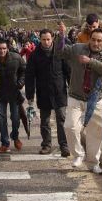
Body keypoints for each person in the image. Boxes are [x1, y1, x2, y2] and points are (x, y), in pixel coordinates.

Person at [57, 22, 102, 173]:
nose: (96, 43)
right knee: (70, 126)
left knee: (95, 131)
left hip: (95, 99)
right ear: (89, 39)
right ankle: (77, 154)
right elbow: (61, 52)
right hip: (76, 95)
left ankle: (93, 163)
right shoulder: (77, 48)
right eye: (93, 39)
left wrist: (91, 62)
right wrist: (62, 35)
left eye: (99, 41)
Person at [25, 28, 71, 157]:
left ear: (52, 39)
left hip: (59, 91)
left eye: (48, 39)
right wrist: (30, 95)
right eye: (43, 39)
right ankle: (46, 144)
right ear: (40, 40)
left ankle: (64, 146)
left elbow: (68, 71)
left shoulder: (60, 52)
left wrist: (71, 87)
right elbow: (30, 76)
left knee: (61, 119)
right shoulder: (34, 55)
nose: (46, 42)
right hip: (43, 92)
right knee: (45, 121)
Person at [0, 39, 26, 153]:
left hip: (14, 93)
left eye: (4, 48)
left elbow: (24, 70)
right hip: (0, 94)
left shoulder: (16, 58)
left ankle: (15, 136)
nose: (2, 51)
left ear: (7, 48)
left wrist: (21, 82)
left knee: (16, 119)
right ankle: (5, 143)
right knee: (1, 119)